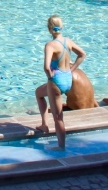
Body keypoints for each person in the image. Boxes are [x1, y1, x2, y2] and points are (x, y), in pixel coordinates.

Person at [33, 16, 86, 149]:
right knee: (39, 93)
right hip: (67, 78)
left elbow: (46, 67)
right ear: (61, 27)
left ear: (49, 29)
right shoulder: (68, 41)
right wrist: (72, 69)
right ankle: (44, 125)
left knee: (58, 117)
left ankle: (61, 146)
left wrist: (50, 78)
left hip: (56, 80)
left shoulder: (50, 45)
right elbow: (82, 54)